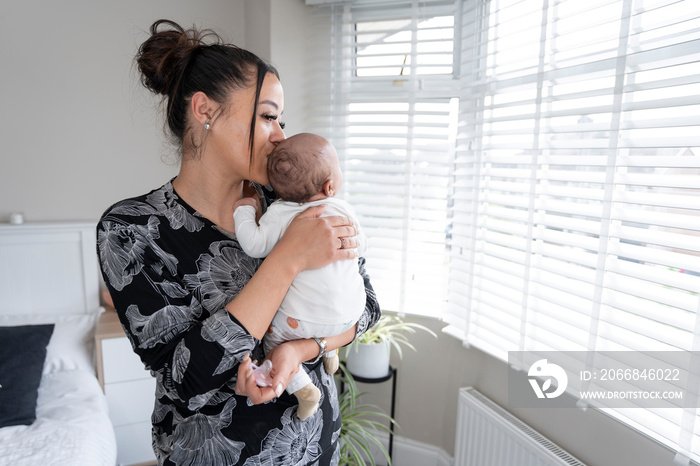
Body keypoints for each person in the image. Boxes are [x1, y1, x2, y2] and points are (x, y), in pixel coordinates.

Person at [96, 19, 381, 466]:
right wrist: (286, 259)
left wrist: (298, 350)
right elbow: (185, 376)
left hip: (316, 446)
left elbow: (367, 309)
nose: (282, 136)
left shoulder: (292, 202)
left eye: (281, 120)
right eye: (268, 116)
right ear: (205, 110)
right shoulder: (131, 229)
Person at [233, 132, 367, 420]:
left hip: (300, 320)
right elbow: (360, 247)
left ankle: (304, 389)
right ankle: (330, 352)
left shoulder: (279, 212)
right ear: (330, 186)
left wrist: (245, 211)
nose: (278, 133)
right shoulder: (343, 209)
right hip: (351, 313)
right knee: (335, 294)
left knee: (272, 344)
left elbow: (254, 245)